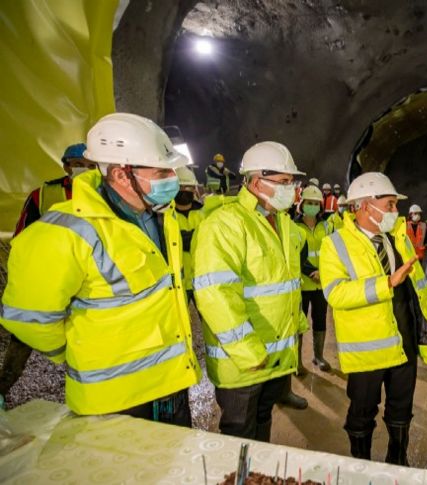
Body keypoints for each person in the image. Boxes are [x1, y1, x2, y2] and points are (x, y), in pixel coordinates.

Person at [0, 113, 201, 424]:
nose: (171, 179)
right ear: (121, 175)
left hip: (172, 385)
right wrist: (80, 350)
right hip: (114, 401)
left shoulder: (162, 215)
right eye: (162, 170)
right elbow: (28, 318)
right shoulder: (64, 232)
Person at [319, 172, 427, 465]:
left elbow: (417, 290)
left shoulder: (398, 238)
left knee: (402, 409)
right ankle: (360, 464)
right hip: (368, 349)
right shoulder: (335, 244)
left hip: (404, 343)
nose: (395, 212)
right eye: (389, 205)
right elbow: (335, 293)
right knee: (362, 411)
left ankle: (397, 460)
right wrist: (385, 284)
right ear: (365, 205)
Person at [192, 141, 308, 439]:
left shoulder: (283, 223)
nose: (291, 188)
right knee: (239, 432)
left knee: (262, 423)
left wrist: (296, 326)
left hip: (273, 357)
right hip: (241, 363)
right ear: (257, 182)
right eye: (284, 182)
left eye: (292, 182)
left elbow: (286, 286)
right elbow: (216, 296)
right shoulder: (225, 224)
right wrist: (249, 353)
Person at [1, 143, 98, 398]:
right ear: (66, 166)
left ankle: (85, 396)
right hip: (48, 281)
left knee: (88, 343)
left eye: (89, 165)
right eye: (78, 165)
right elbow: (22, 238)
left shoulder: (104, 195)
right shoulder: (42, 195)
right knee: (23, 339)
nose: (84, 170)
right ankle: (3, 387)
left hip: (88, 282)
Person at [294, 185, 332, 371]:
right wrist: (311, 272)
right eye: (309, 203)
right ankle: (297, 362)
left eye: (316, 203)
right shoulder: (293, 226)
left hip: (321, 284)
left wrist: (323, 272)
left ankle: (319, 357)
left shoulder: (326, 226)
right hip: (302, 284)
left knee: (320, 320)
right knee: (299, 324)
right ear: (302, 204)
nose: (313, 206)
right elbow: (294, 255)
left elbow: (332, 254)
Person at [174, 166, 205, 306]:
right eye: (180, 186)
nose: (184, 191)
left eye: (188, 187)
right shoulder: (164, 216)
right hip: (178, 283)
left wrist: (183, 238)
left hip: (203, 279)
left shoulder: (204, 213)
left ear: (194, 190)